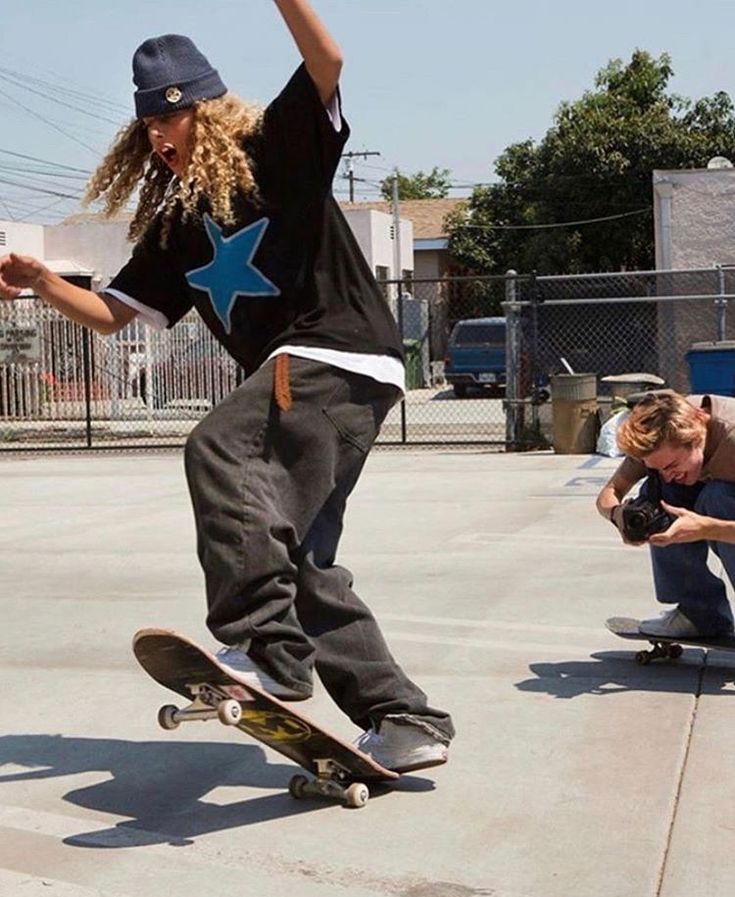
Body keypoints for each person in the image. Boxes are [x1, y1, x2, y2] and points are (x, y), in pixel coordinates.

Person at [0, 0, 454, 772]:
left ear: (206, 115)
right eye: (145, 129)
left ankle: (264, 649)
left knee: (218, 447)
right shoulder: (177, 227)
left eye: (169, 123)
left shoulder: (277, 149)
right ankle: (402, 716)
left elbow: (327, 65)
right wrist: (43, 280)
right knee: (298, 555)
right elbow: (112, 314)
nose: (158, 140)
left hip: (331, 352)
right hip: (327, 383)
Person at [596, 390, 735, 639]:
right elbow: (609, 492)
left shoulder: (730, 437)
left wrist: (707, 528)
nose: (667, 473)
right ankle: (700, 615)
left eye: (671, 465)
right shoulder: (660, 435)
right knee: (657, 493)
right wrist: (617, 515)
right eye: (657, 467)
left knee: (719, 498)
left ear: (696, 436)